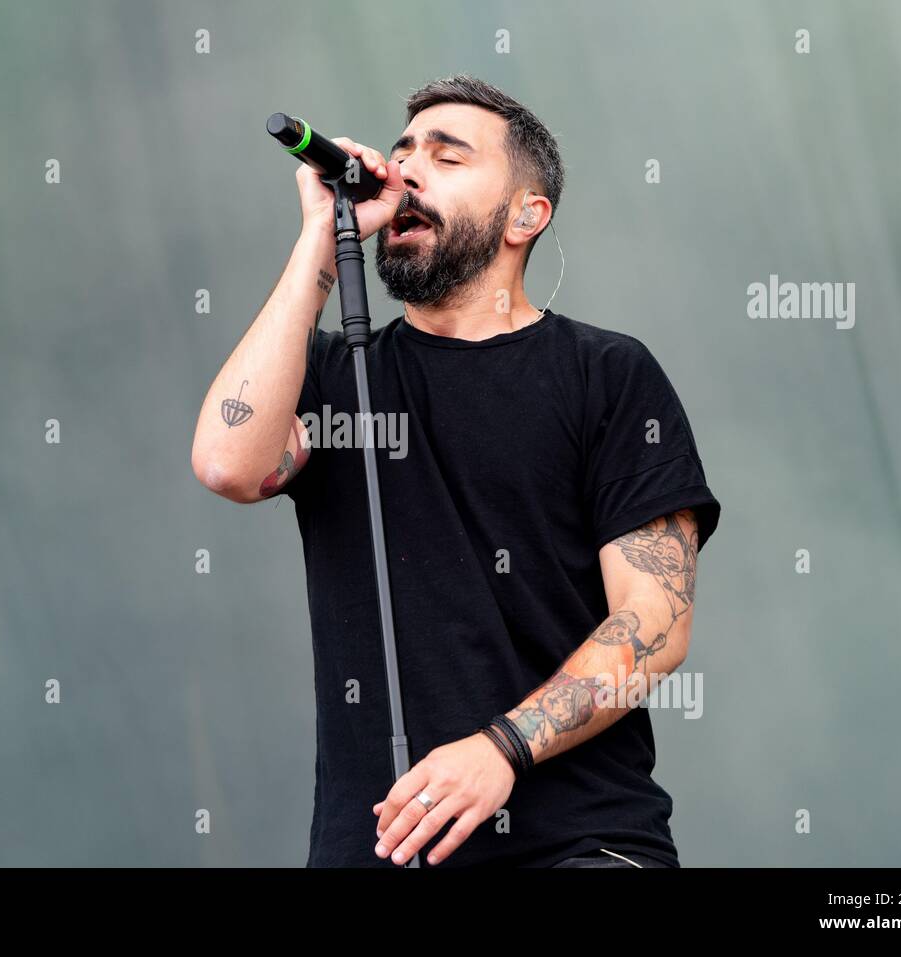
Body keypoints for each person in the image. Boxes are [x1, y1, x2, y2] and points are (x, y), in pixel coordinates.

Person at [191, 74, 720, 867]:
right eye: (403, 153)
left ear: (525, 214)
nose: (407, 172)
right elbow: (227, 463)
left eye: (447, 157)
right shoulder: (336, 376)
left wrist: (499, 748)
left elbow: (654, 626)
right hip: (376, 845)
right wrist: (318, 242)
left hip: (578, 842)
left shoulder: (605, 374)